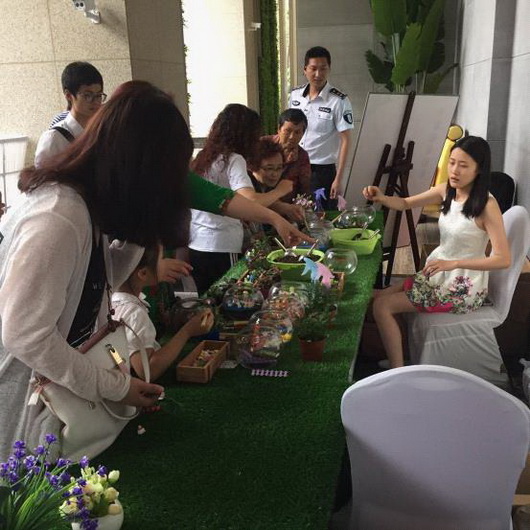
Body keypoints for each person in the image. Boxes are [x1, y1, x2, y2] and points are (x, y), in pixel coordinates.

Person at [0, 80, 200, 459]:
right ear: (138, 171)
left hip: (47, 402)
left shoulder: (83, 206)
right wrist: (116, 387)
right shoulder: (58, 216)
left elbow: (101, 284)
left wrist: (141, 228)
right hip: (21, 417)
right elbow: (25, 335)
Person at [363, 136, 511, 368]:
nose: (454, 170)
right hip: (438, 274)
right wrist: (380, 196)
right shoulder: (447, 190)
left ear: (479, 169)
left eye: (463, 165)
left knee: (382, 306)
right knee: (379, 296)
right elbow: (405, 204)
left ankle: (397, 371)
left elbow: (503, 259)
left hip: (461, 287)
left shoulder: (487, 206)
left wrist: (454, 263)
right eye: (452, 162)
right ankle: (403, 357)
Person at [189, 104, 296, 294]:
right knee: (226, 300)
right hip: (221, 245)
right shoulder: (234, 159)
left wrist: (282, 208)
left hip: (197, 245)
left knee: (207, 299)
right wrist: (280, 190)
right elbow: (250, 201)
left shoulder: (204, 157)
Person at [111, 246, 214, 381]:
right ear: (143, 273)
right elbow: (147, 371)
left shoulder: (113, 299)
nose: (168, 263)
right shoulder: (135, 314)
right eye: (162, 259)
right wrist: (187, 332)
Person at [289, 46, 354, 208]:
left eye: (323, 69)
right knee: (294, 212)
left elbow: (346, 140)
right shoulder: (295, 95)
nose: (318, 74)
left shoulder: (339, 100)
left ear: (329, 69)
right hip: (295, 164)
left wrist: (338, 179)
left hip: (321, 171)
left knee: (321, 214)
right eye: (313, 68)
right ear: (305, 69)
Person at [35, 62, 106, 166]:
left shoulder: (103, 131)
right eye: (87, 95)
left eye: (98, 95)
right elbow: (43, 175)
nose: (95, 101)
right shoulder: (54, 138)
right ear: (68, 95)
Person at [247, 137, 304, 223]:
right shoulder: (245, 181)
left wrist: (287, 208)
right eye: (269, 168)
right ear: (253, 167)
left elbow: (268, 200)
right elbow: (251, 203)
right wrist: (279, 191)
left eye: (279, 168)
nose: (275, 174)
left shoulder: (265, 182)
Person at [262, 108, 311, 203]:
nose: (292, 137)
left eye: (297, 132)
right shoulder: (262, 144)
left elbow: (305, 190)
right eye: (288, 131)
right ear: (279, 129)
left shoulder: (302, 156)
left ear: (303, 134)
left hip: (287, 207)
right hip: (259, 201)